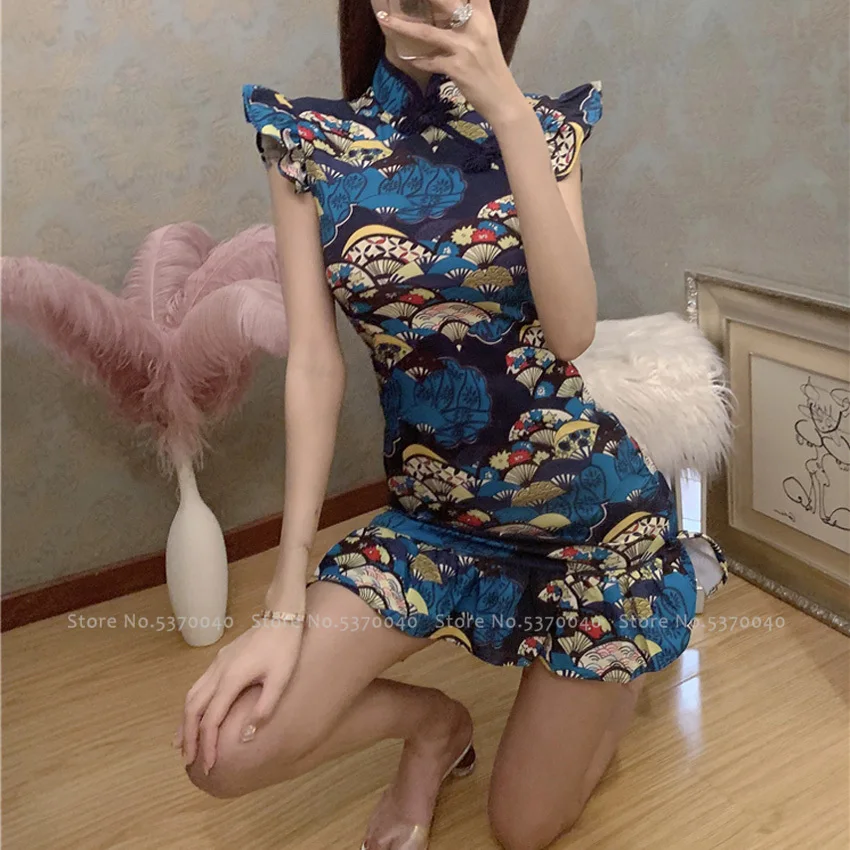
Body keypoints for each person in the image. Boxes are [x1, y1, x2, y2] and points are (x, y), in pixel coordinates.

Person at [174, 2, 729, 848]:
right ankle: (435, 727)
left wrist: (507, 109)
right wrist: (286, 589)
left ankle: (630, 644)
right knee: (223, 752)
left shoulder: (546, 127)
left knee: (523, 827)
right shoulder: (309, 142)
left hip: (585, 526)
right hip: (433, 523)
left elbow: (572, 331)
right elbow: (315, 366)